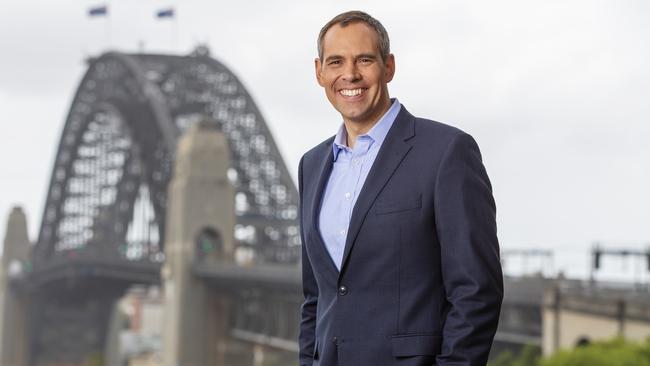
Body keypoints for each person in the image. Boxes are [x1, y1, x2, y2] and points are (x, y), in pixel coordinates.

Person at [298, 10, 503, 366]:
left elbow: (476, 292)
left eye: (364, 59)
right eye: (336, 62)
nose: (350, 74)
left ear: (388, 66)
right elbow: (315, 296)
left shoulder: (446, 152)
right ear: (319, 72)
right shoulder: (312, 165)